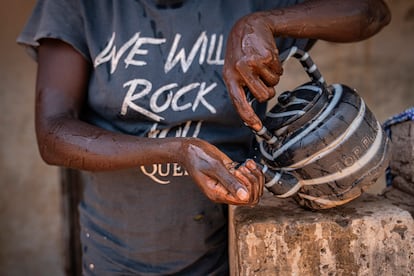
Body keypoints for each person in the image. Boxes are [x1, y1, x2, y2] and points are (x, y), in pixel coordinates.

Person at [18, 0, 390, 274]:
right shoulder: (81, 7)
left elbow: (372, 12)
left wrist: (264, 22)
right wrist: (177, 150)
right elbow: (53, 135)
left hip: (232, 254)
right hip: (115, 256)